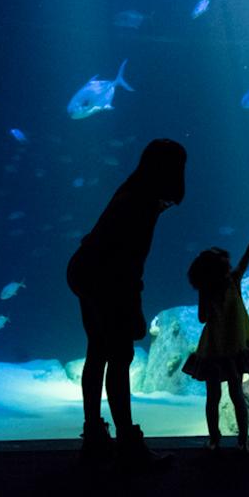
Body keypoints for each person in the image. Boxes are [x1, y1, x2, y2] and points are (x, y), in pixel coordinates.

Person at [67, 138, 186, 468]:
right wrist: (133, 310)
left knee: (98, 353)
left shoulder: (132, 190)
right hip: (104, 277)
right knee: (120, 356)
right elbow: (127, 262)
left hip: (84, 269)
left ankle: (94, 437)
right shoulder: (142, 202)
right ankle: (128, 446)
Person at [181, 211, 249, 454]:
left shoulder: (207, 289)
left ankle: (215, 439)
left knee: (214, 396)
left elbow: (202, 318)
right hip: (231, 346)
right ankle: (242, 440)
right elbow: (247, 256)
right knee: (235, 393)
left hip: (215, 347)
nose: (230, 264)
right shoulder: (233, 280)